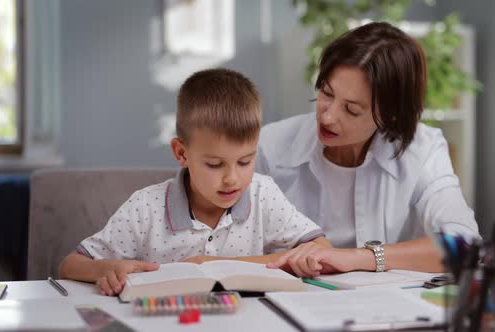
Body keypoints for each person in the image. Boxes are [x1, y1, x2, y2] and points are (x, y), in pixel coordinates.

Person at [59, 68, 329, 296]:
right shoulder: (145, 207)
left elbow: (321, 249)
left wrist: (214, 264)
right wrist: (103, 270)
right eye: (214, 164)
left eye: (245, 161)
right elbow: (71, 265)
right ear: (181, 153)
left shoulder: (262, 194)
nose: (232, 178)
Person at [258, 22, 479, 277]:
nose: (328, 117)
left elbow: (465, 247)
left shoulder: (423, 148)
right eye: (327, 94)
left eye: (352, 109)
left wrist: (358, 257)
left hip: (388, 307)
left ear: (390, 116)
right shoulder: (270, 147)